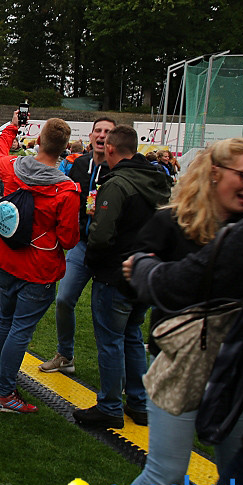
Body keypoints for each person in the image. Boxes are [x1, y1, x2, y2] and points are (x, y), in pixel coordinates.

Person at [120, 138, 243, 485]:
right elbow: (136, 276)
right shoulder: (170, 220)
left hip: (237, 371)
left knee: (240, 478)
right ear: (215, 173)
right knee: (165, 474)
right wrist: (140, 271)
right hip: (179, 365)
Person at [124, 208, 243, 485]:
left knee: (225, 469)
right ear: (214, 172)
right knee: (167, 474)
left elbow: (167, 281)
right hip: (185, 359)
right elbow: (170, 282)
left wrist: (143, 268)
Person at [74, 124, 171, 429]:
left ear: (112, 149)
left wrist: (94, 261)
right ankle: (139, 403)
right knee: (131, 336)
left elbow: (101, 235)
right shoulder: (157, 179)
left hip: (115, 272)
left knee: (112, 340)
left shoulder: (117, 184)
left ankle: (111, 405)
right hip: (145, 271)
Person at [0, 112, 80, 413]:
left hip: (7, 257)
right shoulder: (66, 190)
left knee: (5, 321)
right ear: (64, 149)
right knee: (20, 330)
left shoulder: (15, 168)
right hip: (38, 267)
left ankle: (4, 377)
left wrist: (13, 125)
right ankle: (3, 393)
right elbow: (68, 240)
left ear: (38, 140)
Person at [38, 116, 116, 375]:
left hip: (109, 251)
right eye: (98, 130)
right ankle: (65, 354)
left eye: (108, 131)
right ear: (91, 136)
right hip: (81, 245)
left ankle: (120, 373)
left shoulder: (119, 169)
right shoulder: (79, 164)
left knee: (106, 315)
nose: (102, 135)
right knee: (64, 298)